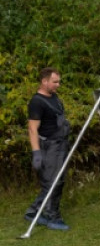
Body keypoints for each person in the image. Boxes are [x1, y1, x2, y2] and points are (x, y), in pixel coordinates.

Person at [24, 67, 72, 231]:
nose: (58, 85)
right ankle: (53, 217)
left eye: (58, 81)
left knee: (53, 181)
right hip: (49, 147)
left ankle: (34, 211)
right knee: (54, 182)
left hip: (60, 144)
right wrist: (36, 152)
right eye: (55, 82)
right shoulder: (37, 102)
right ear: (44, 81)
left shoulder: (54, 98)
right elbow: (32, 128)